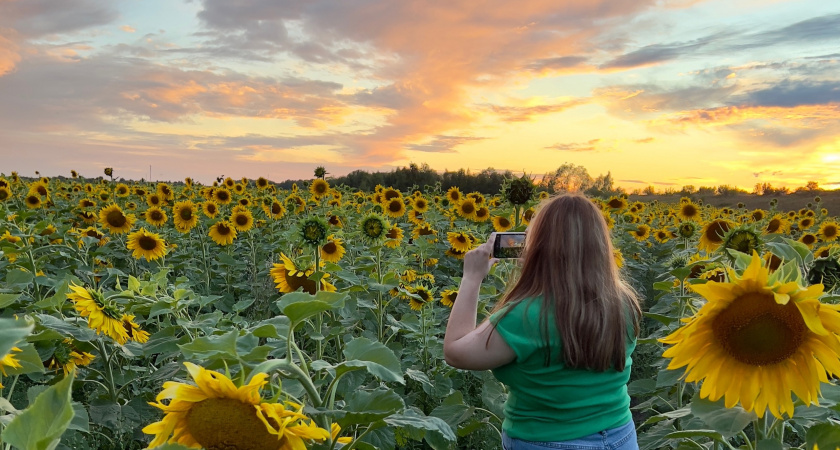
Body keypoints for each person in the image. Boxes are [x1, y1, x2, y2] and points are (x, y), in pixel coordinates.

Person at [443, 193, 642, 450]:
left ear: (540, 248)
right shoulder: (623, 302)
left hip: (549, 441)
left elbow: (455, 351)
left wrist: (471, 278)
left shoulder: (526, 315)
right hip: (620, 436)